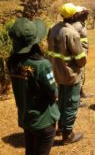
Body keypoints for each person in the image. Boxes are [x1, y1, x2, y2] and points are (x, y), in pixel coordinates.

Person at [7, 17, 60, 155]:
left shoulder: (12, 62)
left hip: (26, 117)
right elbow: (53, 93)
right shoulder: (42, 65)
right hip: (44, 120)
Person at [47, 3, 86, 144]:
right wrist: (81, 65)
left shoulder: (53, 28)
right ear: (74, 16)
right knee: (71, 102)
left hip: (56, 72)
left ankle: (60, 127)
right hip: (70, 75)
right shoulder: (72, 33)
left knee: (61, 100)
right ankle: (67, 135)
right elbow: (80, 59)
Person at [72, 6, 93, 107]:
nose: (87, 15)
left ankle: (81, 92)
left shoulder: (81, 24)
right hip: (78, 55)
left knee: (83, 75)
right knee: (79, 75)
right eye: (85, 13)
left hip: (83, 54)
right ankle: (77, 100)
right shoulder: (76, 26)